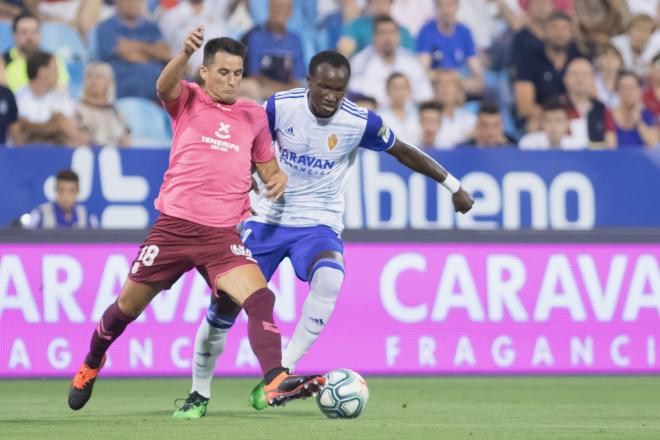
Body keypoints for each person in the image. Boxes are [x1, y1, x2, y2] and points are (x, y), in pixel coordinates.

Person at [172, 49, 474, 418]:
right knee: (222, 311)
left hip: (318, 225)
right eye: (325, 88)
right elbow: (244, 142)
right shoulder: (279, 107)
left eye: (340, 89)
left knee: (330, 278)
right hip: (266, 221)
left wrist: (453, 186)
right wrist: (247, 177)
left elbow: (404, 151)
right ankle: (198, 394)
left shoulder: (359, 121)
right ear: (309, 83)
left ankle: (280, 373)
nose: (332, 96)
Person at [67, 28, 325, 412]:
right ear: (204, 72)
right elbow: (164, 84)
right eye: (223, 72)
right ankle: (92, 361)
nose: (231, 80)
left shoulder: (252, 114)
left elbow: (268, 168)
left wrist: (277, 178)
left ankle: (274, 379)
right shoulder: (188, 99)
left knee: (261, 297)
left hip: (221, 235)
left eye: (237, 73)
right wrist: (183, 52)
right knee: (124, 310)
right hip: (173, 228)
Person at [514, 11, 584, 131]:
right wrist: (556, 119)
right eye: (554, 28)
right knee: (534, 124)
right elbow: (524, 106)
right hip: (542, 119)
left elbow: (590, 96)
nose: (559, 33)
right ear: (544, 32)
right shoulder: (529, 59)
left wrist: (568, 119)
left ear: (572, 33)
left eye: (564, 28)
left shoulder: (579, 59)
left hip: (574, 119)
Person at [349, 15, 432, 107]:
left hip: (408, 117)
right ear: (373, 36)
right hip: (374, 116)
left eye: (391, 32)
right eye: (382, 33)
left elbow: (425, 96)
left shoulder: (411, 61)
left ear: (399, 36)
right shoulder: (360, 61)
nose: (387, 38)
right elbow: (356, 99)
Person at [95, 0, 171, 100]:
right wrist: (153, 53)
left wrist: (137, 46)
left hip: (158, 89)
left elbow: (166, 53)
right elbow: (129, 55)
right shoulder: (106, 27)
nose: (133, 3)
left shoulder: (151, 27)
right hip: (125, 88)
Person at [239, 0, 306, 101]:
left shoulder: (295, 40)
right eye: (277, 7)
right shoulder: (255, 36)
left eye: (285, 7)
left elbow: (297, 79)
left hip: (286, 92)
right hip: (262, 91)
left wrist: (282, 91)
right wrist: (280, 91)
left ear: (291, 11)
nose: (280, 11)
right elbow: (254, 76)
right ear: (269, 8)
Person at [13, 51, 83, 146]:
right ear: (42, 72)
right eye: (55, 70)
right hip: (23, 157)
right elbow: (18, 132)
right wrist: (55, 127)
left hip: (56, 156)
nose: (58, 75)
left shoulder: (60, 99)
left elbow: (70, 131)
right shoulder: (16, 98)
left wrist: (30, 129)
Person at [416, 0, 484, 96]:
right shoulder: (427, 31)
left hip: (460, 87)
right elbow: (422, 71)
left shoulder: (465, 32)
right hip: (436, 87)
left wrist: (458, 81)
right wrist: (449, 77)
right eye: (441, 5)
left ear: (457, 6)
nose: (446, 10)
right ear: (436, 8)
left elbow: (477, 73)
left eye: (449, 4)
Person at [2, 11, 69, 93]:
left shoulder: (52, 59)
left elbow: (62, 93)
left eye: (34, 31)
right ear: (14, 35)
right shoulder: (3, 61)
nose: (30, 37)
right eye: (24, 32)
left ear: (40, 34)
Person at [75, 62, 131, 147]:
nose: (93, 81)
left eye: (98, 77)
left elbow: (127, 142)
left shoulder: (116, 113)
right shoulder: (76, 110)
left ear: (109, 82)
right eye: (89, 76)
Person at [338, 0, 415, 58]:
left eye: (384, 2)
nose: (380, 7)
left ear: (391, 4)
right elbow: (344, 50)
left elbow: (411, 58)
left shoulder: (403, 31)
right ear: (369, 4)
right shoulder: (355, 26)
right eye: (376, 2)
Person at [560, 57, 609, 148]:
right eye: (575, 74)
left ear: (593, 79)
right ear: (565, 79)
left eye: (585, 74)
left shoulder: (601, 108)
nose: (580, 78)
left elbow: (611, 144)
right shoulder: (556, 106)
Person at [25, 169, 97, 228]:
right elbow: (25, 240)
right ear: (56, 190)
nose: (66, 196)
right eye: (62, 190)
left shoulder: (87, 217)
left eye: (71, 191)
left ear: (78, 191)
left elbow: (98, 242)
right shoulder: (41, 214)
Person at [605, 70, 658, 148]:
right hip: (617, 159)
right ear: (617, 91)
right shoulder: (609, 114)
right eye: (623, 87)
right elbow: (610, 147)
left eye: (632, 87)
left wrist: (639, 122)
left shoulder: (647, 115)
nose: (628, 92)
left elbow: (653, 144)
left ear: (639, 90)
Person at [432, 69, 476, 148]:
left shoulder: (469, 118)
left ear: (458, 90)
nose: (445, 89)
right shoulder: (427, 117)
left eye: (449, 84)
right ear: (435, 90)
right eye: (440, 84)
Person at [518, 97, 583, 149]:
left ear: (567, 123)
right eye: (548, 120)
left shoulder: (576, 146)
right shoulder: (528, 144)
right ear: (541, 123)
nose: (553, 125)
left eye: (558, 120)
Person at [611, 14, 660, 79]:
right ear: (628, 30)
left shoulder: (655, 48)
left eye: (646, 31)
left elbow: (656, 65)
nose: (641, 35)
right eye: (638, 30)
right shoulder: (615, 44)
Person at [378, 72, 420, 143]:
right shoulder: (380, 117)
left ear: (410, 90)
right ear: (387, 91)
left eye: (403, 87)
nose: (399, 92)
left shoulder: (418, 115)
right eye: (395, 88)